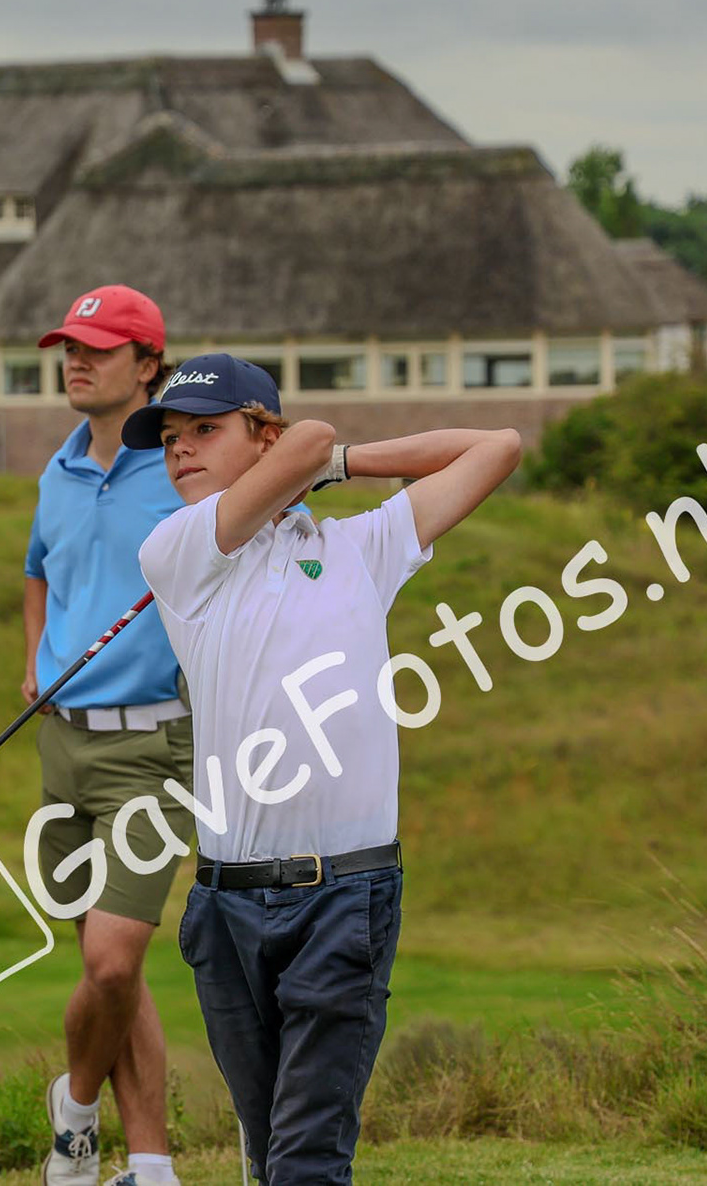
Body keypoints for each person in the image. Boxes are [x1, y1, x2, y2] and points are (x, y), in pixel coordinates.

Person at [123, 354, 519, 1185]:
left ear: (261, 435)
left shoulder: (358, 547)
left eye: (205, 430)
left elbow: (497, 445)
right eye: (170, 439)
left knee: (306, 1161)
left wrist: (338, 467)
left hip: (347, 895)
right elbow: (307, 443)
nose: (181, 452)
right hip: (227, 903)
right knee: (272, 1156)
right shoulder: (177, 551)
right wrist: (295, 462)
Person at [22, 286, 192, 1186]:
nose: (75, 359)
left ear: (148, 364)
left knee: (113, 957)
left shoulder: (182, 466)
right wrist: (33, 660)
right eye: (68, 346)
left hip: (153, 748)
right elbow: (39, 571)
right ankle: (153, 1164)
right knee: (109, 967)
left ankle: (75, 1109)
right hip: (64, 745)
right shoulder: (57, 470)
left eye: (97, 346)